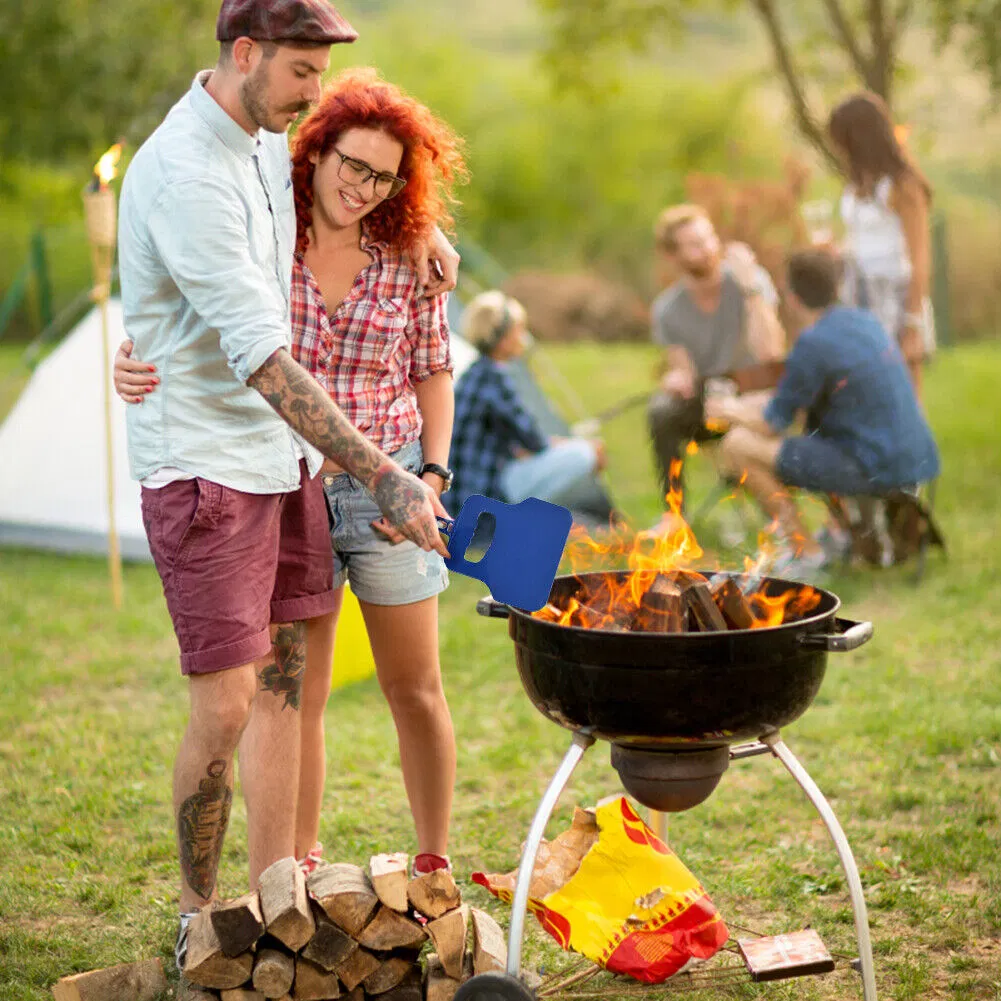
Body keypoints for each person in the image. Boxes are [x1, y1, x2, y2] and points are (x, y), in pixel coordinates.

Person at [114, 0, 458, 977]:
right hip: (212, 474)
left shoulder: (263, 145)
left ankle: (279, 902)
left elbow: (350, 192)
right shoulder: (188, 172)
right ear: (247, 51)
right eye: (303, 72)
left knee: (287, 685)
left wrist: (427, 231)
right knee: (228, 705)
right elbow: (264, 356)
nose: (314, 97)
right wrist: (388, 473)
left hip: (288, 468)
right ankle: (198, 913)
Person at [705, 249, 940, 579]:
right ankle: (839, 534)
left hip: (873, 467)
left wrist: (729, 409)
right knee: (776, 433)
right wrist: (754, 404)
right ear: (836, 286)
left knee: (737, 446)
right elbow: (798, 395)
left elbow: (772, 424)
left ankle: (808, 554)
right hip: (915, 457)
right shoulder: (863, 321)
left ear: (792, 297)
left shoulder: (813, 343)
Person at [647, 204, 786, 502]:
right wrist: (677, 378)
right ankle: (674, 514)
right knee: (661, 411)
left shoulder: (750, 281)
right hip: (712, 399)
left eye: (709, 238)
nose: (709, 249)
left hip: (760, 391)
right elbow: (685, 371)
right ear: (673, 256)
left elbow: (771, 354)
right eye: (695, 245)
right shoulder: (668, 310)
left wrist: (751, 290)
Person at [446, 290, 606, 515]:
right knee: (585, 454)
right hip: (483, 496)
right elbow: (534, 441)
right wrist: (564, 444)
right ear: (501, 339)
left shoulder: (477, 374)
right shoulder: (495, 379)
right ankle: (516, 521)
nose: (523, 337)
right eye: (518, 330)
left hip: (462, 494)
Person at [828, 91, 935, 397]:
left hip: (895, 295)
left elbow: (920, 257)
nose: (838, 148)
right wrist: (836, 251)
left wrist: (913, 323)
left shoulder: (904, 185)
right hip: (858, 292)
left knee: (904, 395)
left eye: (841, 139)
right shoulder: (858, 183)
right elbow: (862, 239)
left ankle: (913, 448)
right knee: (867, 394)